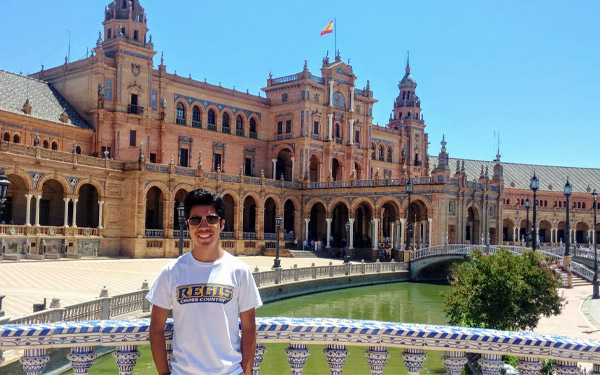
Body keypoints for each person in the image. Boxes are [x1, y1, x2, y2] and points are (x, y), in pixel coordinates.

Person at [147, 189, 262, 375]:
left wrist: (246, 372)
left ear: (222, 224)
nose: (203, 226)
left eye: (211, 219)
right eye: (195, 220)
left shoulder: (239, 271)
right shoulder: (171, 272)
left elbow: (249, 329)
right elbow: (156, 329)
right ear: (187, 225)